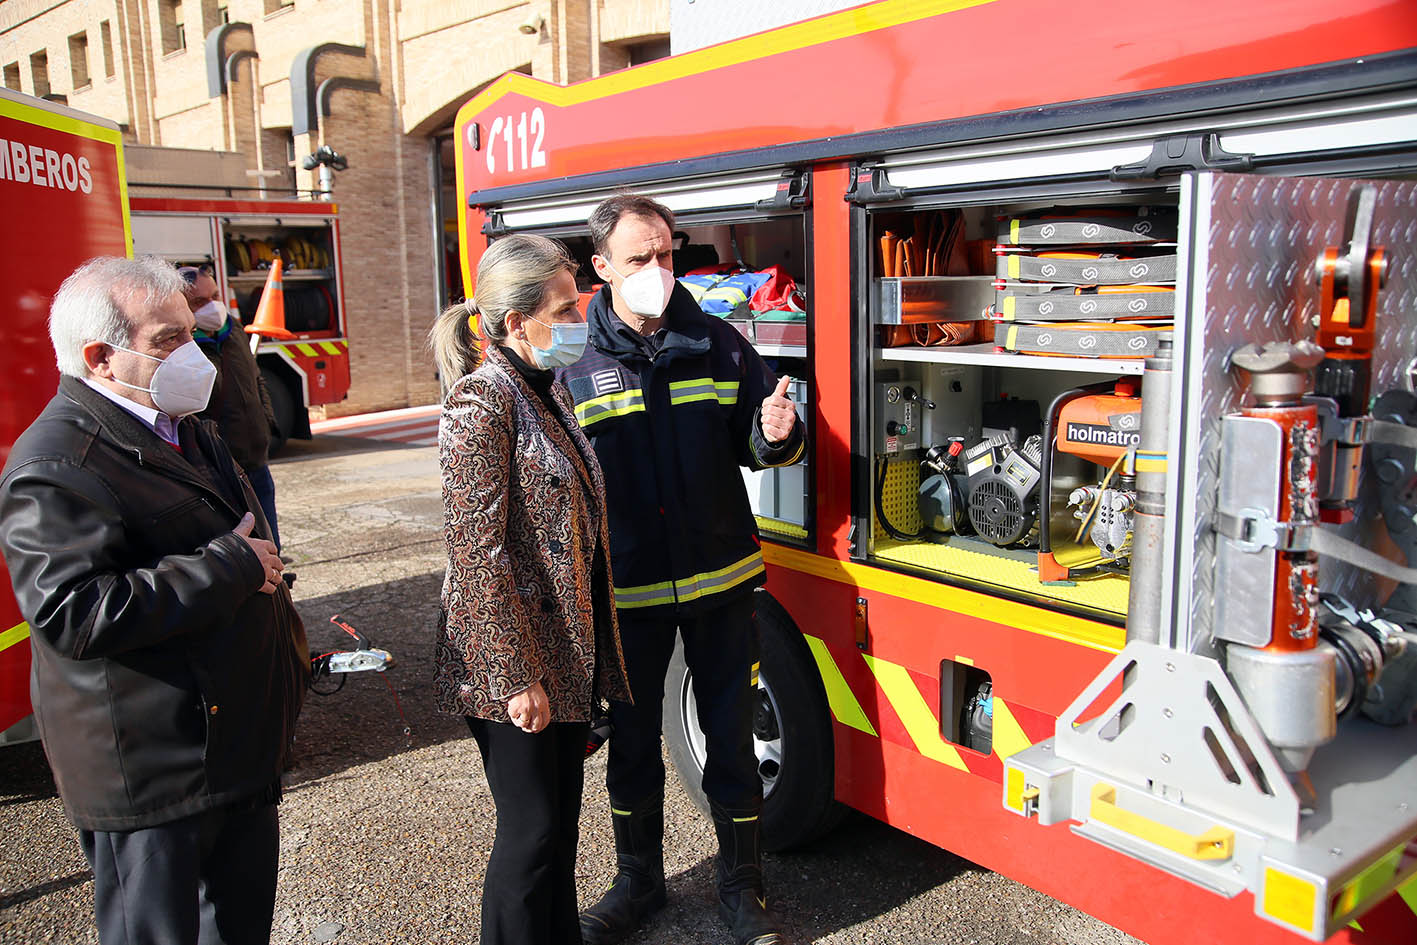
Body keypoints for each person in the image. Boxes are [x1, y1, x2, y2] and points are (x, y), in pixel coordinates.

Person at [0, 255, 309, 945]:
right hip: (152, 774)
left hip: (229, 751)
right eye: (167, 339)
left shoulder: (179, 422)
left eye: (190, 332)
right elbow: (71, 613)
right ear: (100, 357)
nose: (190, 353)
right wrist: (225, 568)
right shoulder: (56, 464)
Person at [558, 195, 806, 945]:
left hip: (721, 585)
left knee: (729, 739)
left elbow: (763, 442)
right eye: (639, 258)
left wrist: (776, 436)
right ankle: (639, 882)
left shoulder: (717, 342)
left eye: (666, 254)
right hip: (625, 595)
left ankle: (742, 886)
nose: (657, 270)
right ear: (600, 267)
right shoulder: (572, 359)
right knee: (631, 747)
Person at [429, 233, 631, 945]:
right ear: (516, 320)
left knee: (560, 832)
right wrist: (515, 677)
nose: (580, 318)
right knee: (530, 837)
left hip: (562, 656)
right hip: (510, 664)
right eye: (566, 307)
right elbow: (475, 552)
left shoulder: (545, 389)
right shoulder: (480, 402)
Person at [179, 264, 285, 555]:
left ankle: (278, 572)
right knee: (242, 539)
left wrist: (267, 421)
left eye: (215, 296)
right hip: (220, 464)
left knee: (269, 529)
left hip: (256, 454)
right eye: (200, 302)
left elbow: (256, 377)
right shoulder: (181, 348)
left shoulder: (233, 328)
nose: (213, 307)